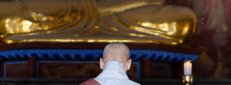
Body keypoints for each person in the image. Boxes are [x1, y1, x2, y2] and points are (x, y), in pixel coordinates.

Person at [0, 0, 197, 44]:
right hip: (62, 10)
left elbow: (154, 1)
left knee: (183, 20)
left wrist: (95, 10)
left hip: (119, 14)